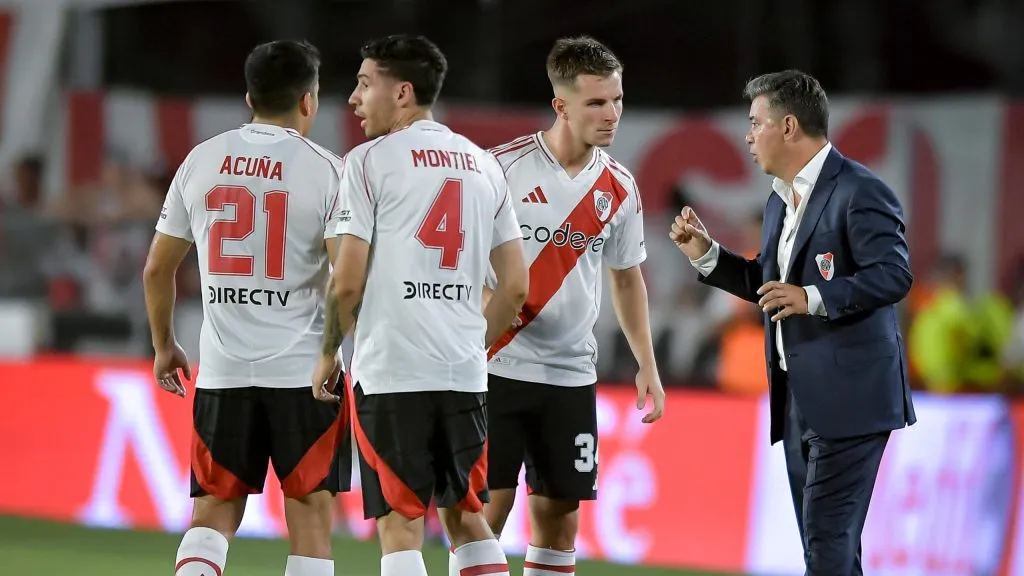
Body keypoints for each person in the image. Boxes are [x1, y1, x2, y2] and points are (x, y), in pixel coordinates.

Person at [670, 69, 916, 575]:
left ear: (787, 126)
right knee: (828, 548)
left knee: (825, 546)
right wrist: (708, 256)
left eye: (755, 122)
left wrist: (813, 295)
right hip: (799, 400)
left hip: (852, 400)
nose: (747, 135)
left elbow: (894, 275)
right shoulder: (781, 199)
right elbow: (770, 289)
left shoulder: (859, 190)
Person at [312, 34, 528, 576]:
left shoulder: (366, 162)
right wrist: (471, 347)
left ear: (403, 92)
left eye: (365, 84)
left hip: (392, 371)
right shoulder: (485, 166)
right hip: (463, 372)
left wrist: (328, 354)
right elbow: (517, 288)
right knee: (466, 517)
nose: (354, 99)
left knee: (399, 524)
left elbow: (346, 282)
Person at [455, 36, 666, 576]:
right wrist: (490, 308)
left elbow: (626, 280)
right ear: (561, 106)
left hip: (571, 376)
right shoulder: (499, 169)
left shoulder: (619, 188)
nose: (612, 113)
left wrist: (647, 362)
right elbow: (455, 260)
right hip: (497, 366)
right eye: (597, 102)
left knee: (559, 518)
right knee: (488, 514)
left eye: (617, 100)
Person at [143, 40, 351, 576]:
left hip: (224, 370)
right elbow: (345, 281)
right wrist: (333, 352)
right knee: (309, 523)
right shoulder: (328, 170)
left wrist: (165, 346)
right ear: (309, 100)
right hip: (305, 373)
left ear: (247, 97)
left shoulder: (201, 160)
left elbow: (157, 269)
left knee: (211, 516)